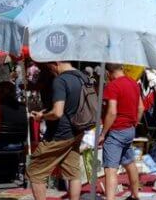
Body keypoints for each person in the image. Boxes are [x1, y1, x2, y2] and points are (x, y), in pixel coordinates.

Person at [27, 61, 88, 200]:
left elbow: (57, 112)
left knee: (35, 171)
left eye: (49, 66)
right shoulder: (82, 77)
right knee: (73, 171)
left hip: (60, 133)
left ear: (56, 63)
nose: (50, 70)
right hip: (77, 130)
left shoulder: (60, 80)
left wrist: (42, 116)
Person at [98, 64, 144, 200]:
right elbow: (141, 107)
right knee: (129, 163)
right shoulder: (134, 83)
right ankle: (135, 195)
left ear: (109, 72)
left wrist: (102, 134)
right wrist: (134, 123)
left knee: (110, 169)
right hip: (129, 130)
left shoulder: (112, 86)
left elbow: (112, 112)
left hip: (116, 130)